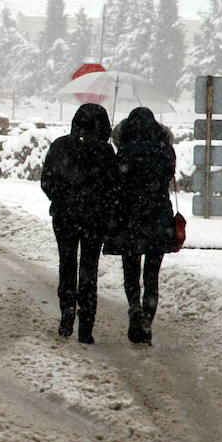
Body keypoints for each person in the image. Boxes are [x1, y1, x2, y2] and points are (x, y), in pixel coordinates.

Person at [41, 103, 117, 344]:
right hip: (95, 219)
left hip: (65, 216)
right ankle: (86, 325)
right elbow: (114, 187)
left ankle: (66, 316)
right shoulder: (106, 153)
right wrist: (101, 206)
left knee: (67, 264)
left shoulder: (60, 146)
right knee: (89, 269)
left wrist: (61, 198)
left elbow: (46, 181)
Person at [104, 107, 176, 345]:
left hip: (130, 218)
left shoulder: (124, 151)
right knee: (152, 274)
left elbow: (116, 182)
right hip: (158, 217)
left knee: (131, 269)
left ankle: (134, 306)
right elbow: (168, 176)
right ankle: (147, 319)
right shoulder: (165, 150)